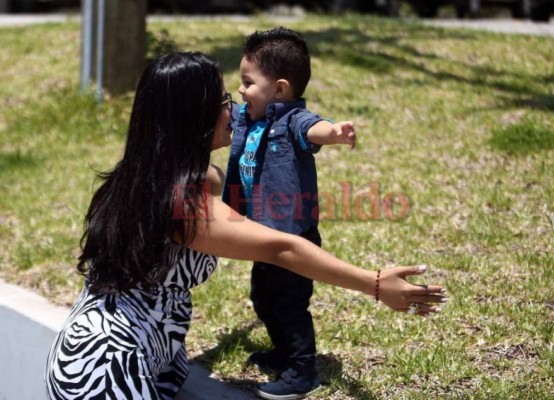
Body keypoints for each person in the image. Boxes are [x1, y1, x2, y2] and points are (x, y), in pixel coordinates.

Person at [45, 51, 447, 400]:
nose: (232, 108)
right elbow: (280, 248)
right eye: (223, 100)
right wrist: (374, 283)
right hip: (109, 370)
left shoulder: (140, 177)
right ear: (194, 116)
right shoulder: (181, 207)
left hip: (97, 351)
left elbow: (214, 177)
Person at [222, 27, 358, 399]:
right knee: (263, 298)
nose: (242, 90)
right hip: (261, 233)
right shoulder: (249, 118)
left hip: (291, 236)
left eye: (248, 82)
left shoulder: (291, 120)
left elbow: (314, 128)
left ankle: (302, 370)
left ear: (279, 89)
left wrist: (334, 132)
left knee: (291, 303)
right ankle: (283, 352)